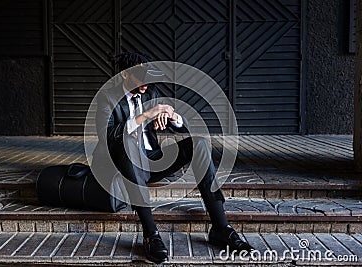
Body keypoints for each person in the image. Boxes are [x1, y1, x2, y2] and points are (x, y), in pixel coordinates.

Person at [93, 51, 253, 263]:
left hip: (151, 160)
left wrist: (172, 115)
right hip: (122, 165)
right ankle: (151, 234)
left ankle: (221, 227)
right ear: (125, 74)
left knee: (200, 143)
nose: (145, 83)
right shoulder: (108, 97)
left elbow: (181, 127)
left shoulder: (151, 92)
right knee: (127, 140)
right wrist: (145, 116)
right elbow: (107, 135)